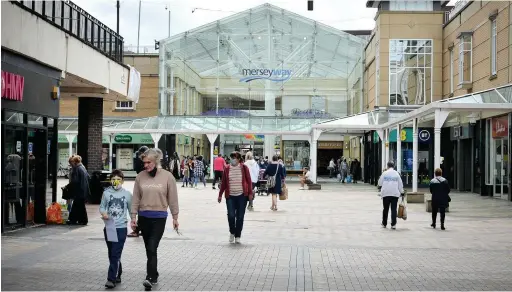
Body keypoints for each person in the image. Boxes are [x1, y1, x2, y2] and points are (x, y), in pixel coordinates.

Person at [130, 148, 179, 289]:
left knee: (152, 246)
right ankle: (154, 273)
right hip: (144, 217)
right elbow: (135, 198)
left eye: (148, 162)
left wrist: (175, 217)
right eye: (144, 163)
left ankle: (150, 277)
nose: (146, 165)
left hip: (159, 217)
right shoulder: (140, 177)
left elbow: (173, 199)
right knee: (149, 249)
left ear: (156, 161)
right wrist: (133, 216)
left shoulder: (168, 177)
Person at [99, 169, 132, 289]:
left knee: (115, 253)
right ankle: (118, 273)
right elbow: (102, 207)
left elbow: (131, 209)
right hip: (109, 227)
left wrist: (133, 220)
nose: (116, 182)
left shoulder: (127, 194)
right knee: (112, 253)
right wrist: (104, 213)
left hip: (121, 228)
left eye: (118, 179)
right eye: (113, 179)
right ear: (110, 180)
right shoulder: (106, 193)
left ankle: (111, 279)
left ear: (122, 181)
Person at [217, 151, 253, 244]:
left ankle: (238, 235)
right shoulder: (227, 168)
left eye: (235, 158)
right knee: (231, 216)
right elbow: (224, 183)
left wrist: (250, 194)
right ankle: (232, 232)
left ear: (239, 159)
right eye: (231, 157)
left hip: (242, 196)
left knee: (240, 217)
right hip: (230, 196)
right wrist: (220, 195)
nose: (233, 159)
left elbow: (249, 181)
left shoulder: (244, 168)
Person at [378, 161, 405, 230]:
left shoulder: (384, 173)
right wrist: (402, 192)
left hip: (386, 194)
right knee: (393, 209)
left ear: (387, 166)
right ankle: (393, 224)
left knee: (385, 209)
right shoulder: (397, 174)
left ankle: (384, 223)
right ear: (393, 166)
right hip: (394, 194)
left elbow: (380, 183)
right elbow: (400, 185)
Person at [67, 155, 90, 225]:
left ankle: (74, 219)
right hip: (83, 190)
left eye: (71, 162)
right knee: (80, 206)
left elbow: (75, 181)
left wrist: (68, 186)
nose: (70, 164)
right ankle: (81, 220)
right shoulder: (83, 168)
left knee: (77, 206)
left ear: (75, 162)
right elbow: (88, 177)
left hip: (79, 191)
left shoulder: (76, 169)